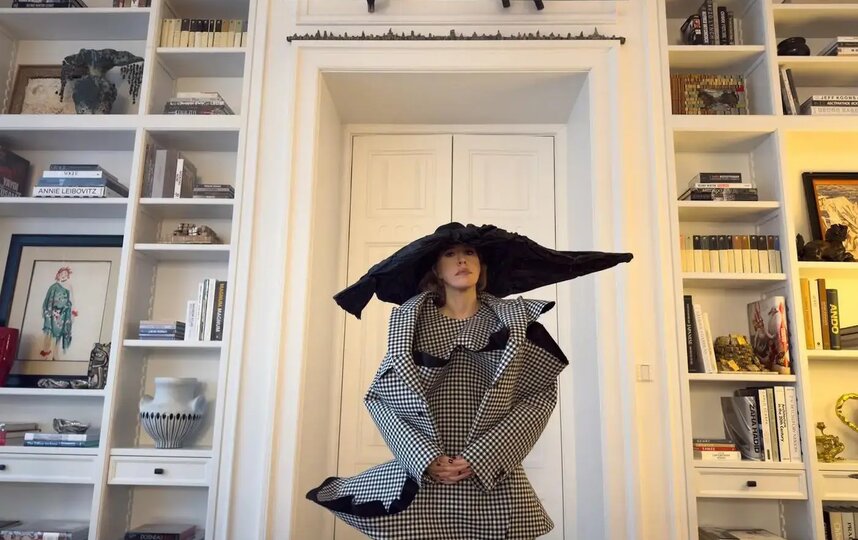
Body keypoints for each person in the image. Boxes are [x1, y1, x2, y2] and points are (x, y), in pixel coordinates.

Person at [307, 222, 632, 539]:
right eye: (450, 254)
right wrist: (423, 457)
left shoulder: (514, 325)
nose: (461, 260)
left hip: (491, 477)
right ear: (436, 270)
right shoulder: (411, 326)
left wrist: (480, 456)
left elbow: (538, 396)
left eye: (469, 253)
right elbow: (381, 398)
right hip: (425, 480)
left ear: (481, 265)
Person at [40, 266, 77, 361]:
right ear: (58, 275)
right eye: (62, 274)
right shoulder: (53, 287)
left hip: (64, 314)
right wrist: (46, 312)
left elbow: (72, 300)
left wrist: (73, 313)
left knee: (59, 335)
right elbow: (47, 301)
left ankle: (55, 354)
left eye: (66, 274)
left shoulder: (69, 287)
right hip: (52, 314)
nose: (64, 276)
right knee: (49, 333)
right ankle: (45, 353)